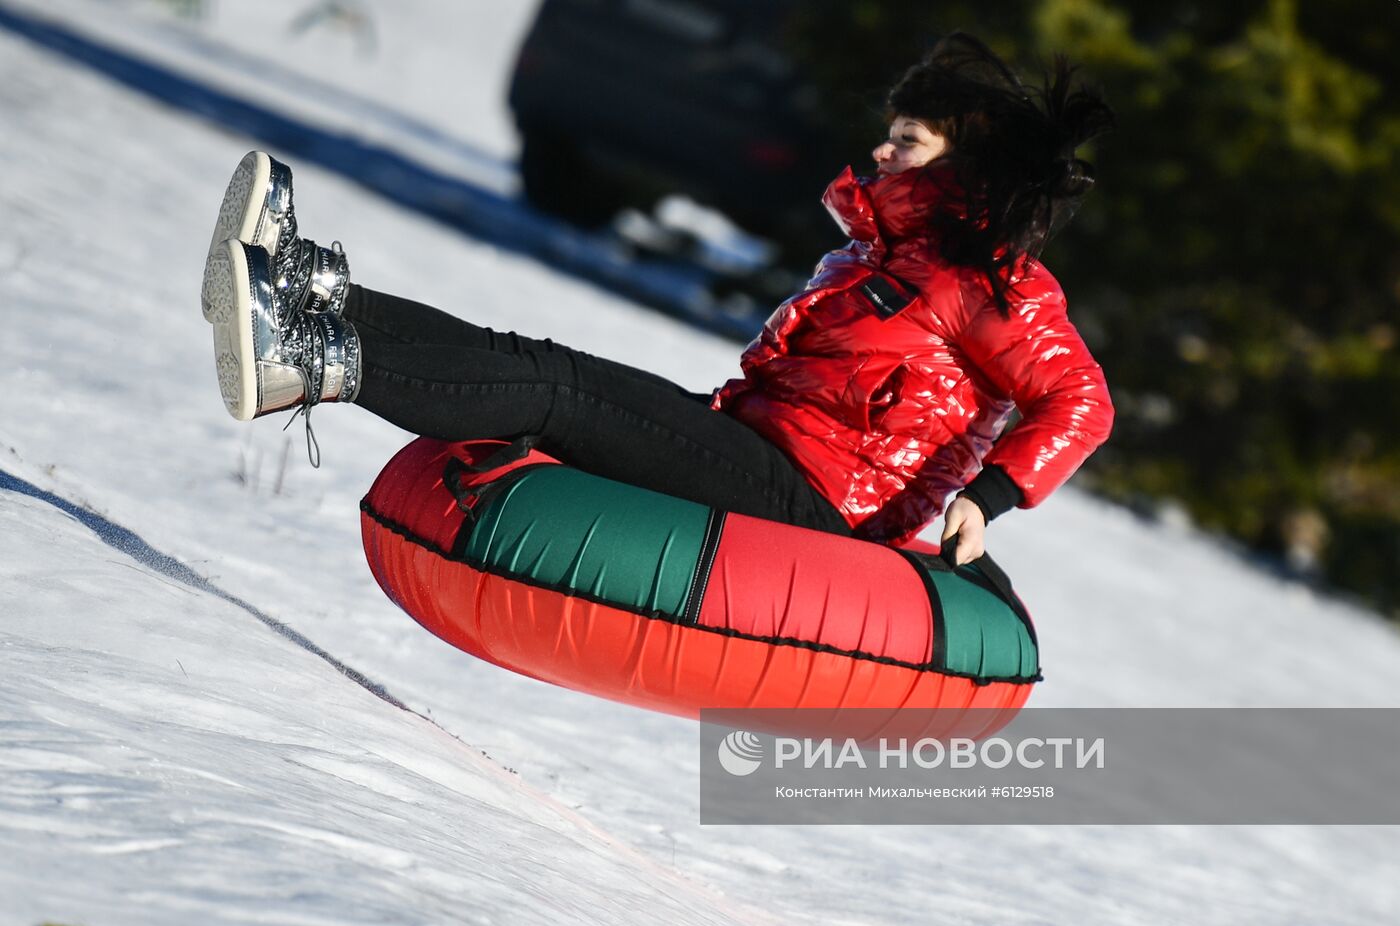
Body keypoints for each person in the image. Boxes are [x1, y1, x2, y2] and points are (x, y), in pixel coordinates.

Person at [199, 33, 1114, 566]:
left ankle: (308, 364)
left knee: (560, 396)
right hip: (759, 447)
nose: (881, 154)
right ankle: (317, 295)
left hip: (816, 502)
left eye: (906, 142)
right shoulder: (891, 253)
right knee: (533, 360)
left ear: (962, 164)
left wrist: (988, 497)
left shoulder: (989, 282)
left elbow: (1079, 400)